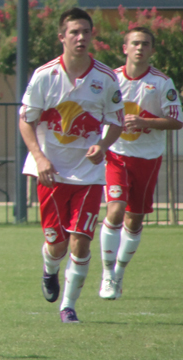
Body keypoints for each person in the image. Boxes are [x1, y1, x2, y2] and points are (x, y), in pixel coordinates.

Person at [19, 8, 124, 323]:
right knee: (57, 245)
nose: (81, 38)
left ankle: (69, 306)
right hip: (51, 173)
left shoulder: (105, 78)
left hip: (89, 174)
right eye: (74, 32)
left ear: (92, 36)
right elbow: (26, 121)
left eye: (86, 32)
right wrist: (39, 157)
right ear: (62, 37)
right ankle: (50, 269)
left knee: (80, 240)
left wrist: (103, 145)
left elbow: (117, 122)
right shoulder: (44, 76)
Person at [98, 27, 183, 300]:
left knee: (133, 222)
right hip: (116, 154)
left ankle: (120, 273)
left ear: (152, 50)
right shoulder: (111, 78)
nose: (139, 48)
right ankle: (107, 273)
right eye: (134, 43)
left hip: (147, 158)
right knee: (115, 209)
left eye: (145, 44)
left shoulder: (161, 82)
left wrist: (144, 122)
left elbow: (177, 120)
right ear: (125, 48)